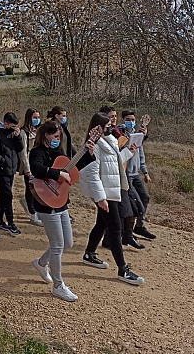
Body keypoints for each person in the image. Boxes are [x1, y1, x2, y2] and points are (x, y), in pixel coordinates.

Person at [29, 121, 95, 301]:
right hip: (46, 202)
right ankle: (58, 285)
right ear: (45, 136)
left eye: (60, 137)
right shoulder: (37, 152)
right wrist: (57, 174)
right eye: (55, 137)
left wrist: (88, 154)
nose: (58, 140)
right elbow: (36, 168)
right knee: (58, 245)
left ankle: (42, 263)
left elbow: (72, 169)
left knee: (68, 243)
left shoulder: (59, 153)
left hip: (61, 201)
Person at [80, 113, 145, 286]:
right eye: (108, 124)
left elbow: (114, 164)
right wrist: (100, 198)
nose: (111, 126)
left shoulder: (110, 140)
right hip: (105, 193)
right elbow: (92, 174)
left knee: (102, 223)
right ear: (98, 127)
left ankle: (89, 254)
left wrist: (129, 152)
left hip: (113, 190)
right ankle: (123, 269)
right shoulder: (94, 145)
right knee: (116, 229)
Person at [99, 105, 142, 249]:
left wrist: (129, 151)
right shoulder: (102, 138)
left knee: (105, 220)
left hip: (118, 178)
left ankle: (102, 245)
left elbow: (117, 158)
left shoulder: (116, 132)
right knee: (113, 217)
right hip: (109, 181)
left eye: (115, 116)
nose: (114, 119)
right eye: (111, 117)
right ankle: (120, 259)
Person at [120, 110, 156, 240]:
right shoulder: (120, 134)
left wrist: (145, 172)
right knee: (135, 203)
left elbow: (141, 156)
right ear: (123, 120)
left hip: (135, 174)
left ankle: (139, 225)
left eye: (133, 119)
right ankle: (126, 231)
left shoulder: (137, 135)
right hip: (126, 174)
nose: (131, 122)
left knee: (145, 198)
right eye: (128, 119)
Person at [0, 112, 24, 235]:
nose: (14, 129)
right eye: (12, 126)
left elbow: (20, 148)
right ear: (6, 124)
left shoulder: (14, 135)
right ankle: (11, 223)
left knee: (4, 195)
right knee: (8, 195)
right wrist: (1, 160)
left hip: (11, 169)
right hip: (1, 170)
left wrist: (18, 136)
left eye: (16, 127)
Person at [18, 108, 42, 226]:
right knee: (31, 189)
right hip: (29, 165)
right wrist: (27, 169)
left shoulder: (39, 131)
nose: (37, 120)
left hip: (38, 164)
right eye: (34, 117)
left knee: (38, 189)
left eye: (38, 117)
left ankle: (33, 208)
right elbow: (23, 152)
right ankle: (33, 214)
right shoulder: (24, 132)